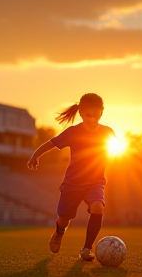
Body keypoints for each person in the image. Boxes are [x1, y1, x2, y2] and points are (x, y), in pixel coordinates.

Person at [27, 93, 115, 261]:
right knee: (63, 219)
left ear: (102, 113)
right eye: (89, 115)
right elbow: (51, 143)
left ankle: (86, 249)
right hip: (73, 184)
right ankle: (59, 232)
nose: (93, 118)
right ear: (81, 113)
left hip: (95, 183)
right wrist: (35, 155)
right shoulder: (73, 132)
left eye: (96, 115)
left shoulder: (107, 132)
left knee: (98, 207)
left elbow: (114, 151)